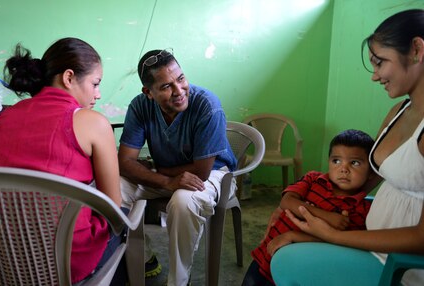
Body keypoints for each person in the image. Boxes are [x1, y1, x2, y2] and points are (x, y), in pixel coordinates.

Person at [270, 9, 424, 286]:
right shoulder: (399, 111)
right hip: (369, 243)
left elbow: (421, 237)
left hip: (402, 265)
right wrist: (299, 208)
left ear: (416, 49)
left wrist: (332, 236)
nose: (375, 76)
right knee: (276, 248)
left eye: (380, 63)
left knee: (286, 262)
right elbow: (376, 172)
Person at [0, 38, 127, 284]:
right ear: (68, 77)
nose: (98, 94)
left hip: (3, 260)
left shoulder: (2, 118)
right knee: (125, 222)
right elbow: (113, 207)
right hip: (65, 264)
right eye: (95, 83)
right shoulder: (93, 122)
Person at [118, 48, 237, 286]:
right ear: (148, 92)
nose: (179, 91)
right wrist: (166, 180)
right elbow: (124, 162)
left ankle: (178, 281)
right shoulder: (140, 106)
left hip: (214, 174)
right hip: (166, 173)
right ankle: (145, 257)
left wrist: (158, 171)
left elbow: (201, 172)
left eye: (181, 79)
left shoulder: (207, 105)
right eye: (165, 86)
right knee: (111, 186)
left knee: (183, 201)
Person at [242, 129, 375, 286]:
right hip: (266, 254)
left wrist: (293, 236)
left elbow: (338, 242)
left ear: (371, 172)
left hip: (299, 267)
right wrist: (327, 216)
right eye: (336, 161)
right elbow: (287, 201)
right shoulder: (313, 179)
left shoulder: (361, 209)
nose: (343, 169)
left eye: (355, 163)